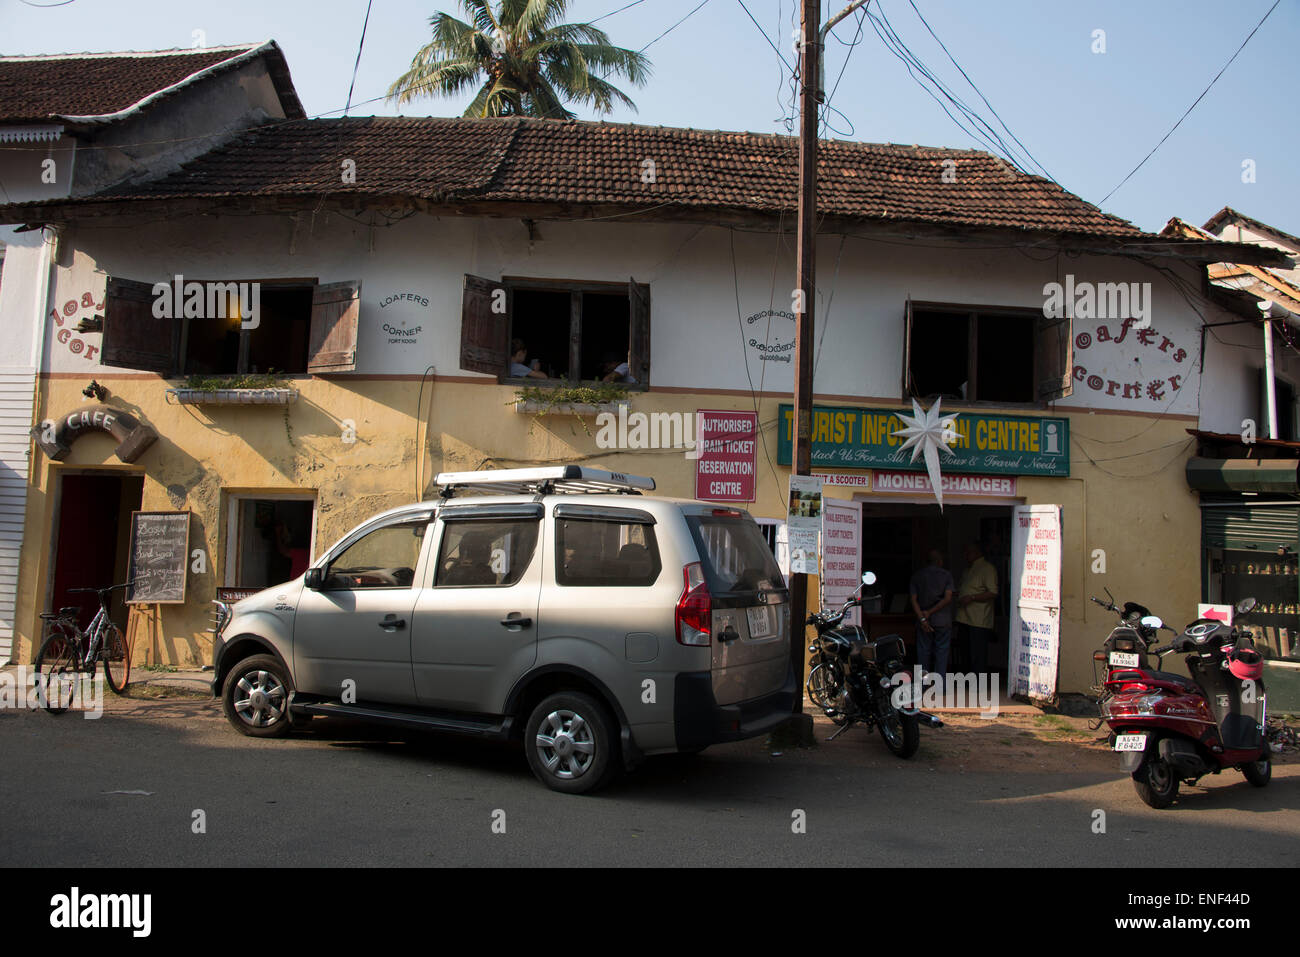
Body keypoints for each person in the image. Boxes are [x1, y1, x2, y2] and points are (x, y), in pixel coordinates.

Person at [909, 548, 955, 678]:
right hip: (942, 620)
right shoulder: (946, 575)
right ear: (940, 562)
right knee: (942, 653)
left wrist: (923, 619)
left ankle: (922, 686)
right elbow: (948, 598)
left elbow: (913, 600)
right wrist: (930, 611)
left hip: (923, 620)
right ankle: (940, 686)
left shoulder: (917, 576)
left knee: (923, 653)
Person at [955, 541, 998, 676]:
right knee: (965, 653)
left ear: (977, 552)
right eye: (965, 552)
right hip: (964, 618)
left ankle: (978, 684)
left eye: (969, 552)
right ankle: (967, 682)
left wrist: (972, 598)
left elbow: (993, 592)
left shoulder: (987, 568)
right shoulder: (968, 570)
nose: (965, 555)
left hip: (978, 620)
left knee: (977, 654)